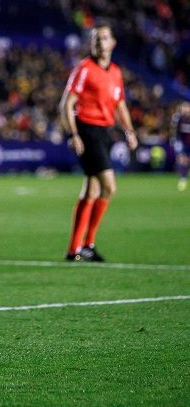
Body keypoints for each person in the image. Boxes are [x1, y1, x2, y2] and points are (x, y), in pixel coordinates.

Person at [60, 23, 138, 262]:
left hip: (104, 131)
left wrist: (129, 131)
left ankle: (76, 249)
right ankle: (87, 244)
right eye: (95, 39)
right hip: (87, 129)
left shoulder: (115, 72)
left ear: (113, 42)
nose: (99, 42)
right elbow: (67, 104)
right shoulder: (84, 69)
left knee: (92, 188)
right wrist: (73, 134)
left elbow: (120, 104)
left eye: (103, 38)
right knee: (109, 186)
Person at [170, 101, 190, 191]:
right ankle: (183, 178)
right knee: (182, 159)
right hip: (183, 142)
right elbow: (174, 130)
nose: (185, 109)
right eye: (184, 107)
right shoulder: (178, 118)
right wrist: (174, 140)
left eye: (187, 107)